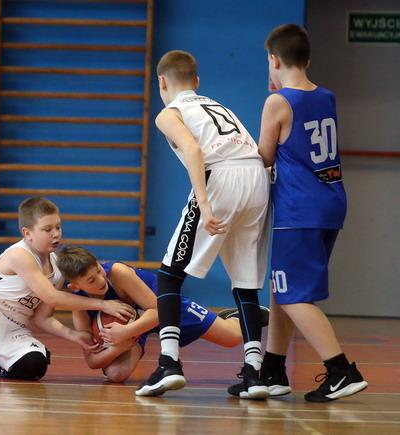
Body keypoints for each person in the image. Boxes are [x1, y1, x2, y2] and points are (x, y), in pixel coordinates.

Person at [230, 23, 368, 402]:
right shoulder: (327, 96)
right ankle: (274, 369)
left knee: (293, 295)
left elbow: (265, 155)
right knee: (284, 287)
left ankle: (340, 370)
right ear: (307, 59)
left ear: (274, 60)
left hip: (299, 207)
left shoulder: (278, 102)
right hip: (330, 201)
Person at [137, 50, 271, 398]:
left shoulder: (170, 112)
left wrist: (206, 204)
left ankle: (169, 363)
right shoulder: (219, 106)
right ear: (196, 81)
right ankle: (255, 373)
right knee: (245, 282)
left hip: (221, 178)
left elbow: (193, 150)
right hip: (257, 177)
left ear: (161, 81)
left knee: (170, 275)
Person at [0, 197, 136, 381]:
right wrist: (103, 305)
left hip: (13, 329)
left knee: (35, 365)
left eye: (58, 227)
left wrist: (74, 335)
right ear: (27, 233)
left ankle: (0, 364)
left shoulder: (57, 267)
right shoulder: (20, 255)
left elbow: (43, 318)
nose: (56, 234)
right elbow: (53, 297)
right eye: (47, 229)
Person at [29, 245, 267, 384]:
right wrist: (120, 345)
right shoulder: (79, 306)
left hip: (159, 306)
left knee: (232, 338)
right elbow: (92, 361)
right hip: (133, 326)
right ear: (75, 288)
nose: (100, 280)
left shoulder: (118, 273)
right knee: (115, 374)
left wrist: (127, 331)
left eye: (99, 271)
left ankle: (236, 316)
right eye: (91, 280)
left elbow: (160, 311)